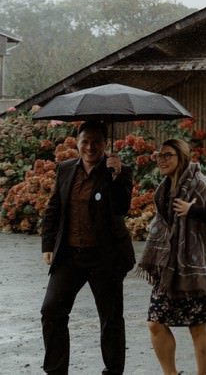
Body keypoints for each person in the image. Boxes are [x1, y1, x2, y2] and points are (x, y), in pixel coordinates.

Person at [40, 120, 135, 375]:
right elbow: (54, 209)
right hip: (70, 256)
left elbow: (122, 208)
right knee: (51, 310)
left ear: (104, 144)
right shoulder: (66, 169)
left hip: (105, 257)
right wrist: (48, 244)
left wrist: (116, 177)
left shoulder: (119, 171)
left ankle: (113, 371)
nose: (90, 147)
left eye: (96, 142)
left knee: (111, 319)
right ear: (77, 142)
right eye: (85, 141)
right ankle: (56, 371)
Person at [140, 138, 206, 375]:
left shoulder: (204, 185)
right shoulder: (164, 188)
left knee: (197, 327)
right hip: (169, 267)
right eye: (159, 155)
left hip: (198, 268)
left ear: (181, 157)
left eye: (167, 155)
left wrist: (193, 210)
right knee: (155, 322)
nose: (162, 160)